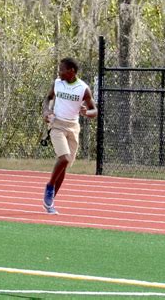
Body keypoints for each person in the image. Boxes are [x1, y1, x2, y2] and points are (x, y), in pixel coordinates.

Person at [42, 57, 97, 214]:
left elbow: (95, 110)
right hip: (57, 124)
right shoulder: (57, 83)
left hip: (73, 127)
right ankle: (50, 186)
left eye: (62, 69)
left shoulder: (83, 88)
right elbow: (48, 98)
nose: (59, 72)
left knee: (64, 166)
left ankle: (50, 202)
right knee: (64, 158)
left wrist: (88, 112)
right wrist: (46, 111)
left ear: (71, 71)